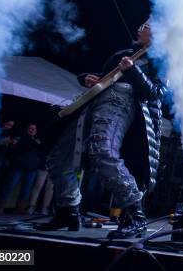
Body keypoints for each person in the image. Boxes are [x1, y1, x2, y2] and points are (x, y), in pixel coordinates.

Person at [38, 19, 167, 238]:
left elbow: (155, 92)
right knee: (59, 158)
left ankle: (135, 214)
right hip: (95, 103)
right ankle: (68, 210)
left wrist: (134, 71)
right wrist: (88, 79)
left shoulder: (164, 60)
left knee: (102, 149)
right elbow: (105, 78)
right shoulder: (122, 53)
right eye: (141, 25)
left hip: (125, 105)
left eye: (145, 27)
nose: (140, 28)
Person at [0, 123, 42, 213]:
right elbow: (12, 149)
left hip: (32, 169)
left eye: (34, 129)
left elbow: (41, 152)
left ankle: (20, 209)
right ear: (27, 129)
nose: (32, 130)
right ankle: (0, 206)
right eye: (30, 128)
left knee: (26, 190)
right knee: (9, 187)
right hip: (18, 167)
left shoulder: (38, 141)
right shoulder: (20, 138)